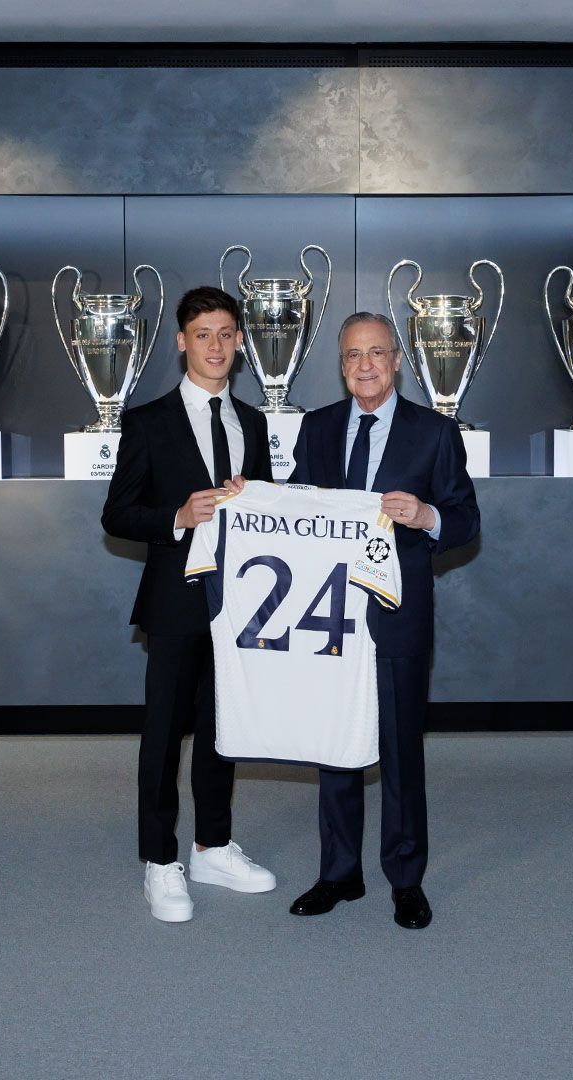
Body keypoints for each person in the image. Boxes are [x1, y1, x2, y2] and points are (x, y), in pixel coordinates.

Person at [285, 312, 480, 929]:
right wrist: (248, 502)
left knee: (399, 751)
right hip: (330, 617)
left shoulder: (435, 433)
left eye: (376, 353)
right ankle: (339, 874)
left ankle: (405, 878)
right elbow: (294, 508)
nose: (364, 365)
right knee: (335, 745)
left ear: (397, 360)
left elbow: (466, 519)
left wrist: (427, 516)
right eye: (351, 356)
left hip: (397, 616)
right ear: (340, 366)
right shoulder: (316, 430)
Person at [101, 285, 278, 923]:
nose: (216, 346)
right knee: (164, 734)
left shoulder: (253, 422)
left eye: (227, 333)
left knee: (222, 733)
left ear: (239, 342)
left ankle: (212, 844)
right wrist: (176, 517)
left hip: (238, 606)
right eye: (203, 334)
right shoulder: (148, 421)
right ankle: (160, 858)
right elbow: (117, 513)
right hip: (175, 604)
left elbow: (268, 515)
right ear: (181, 342)